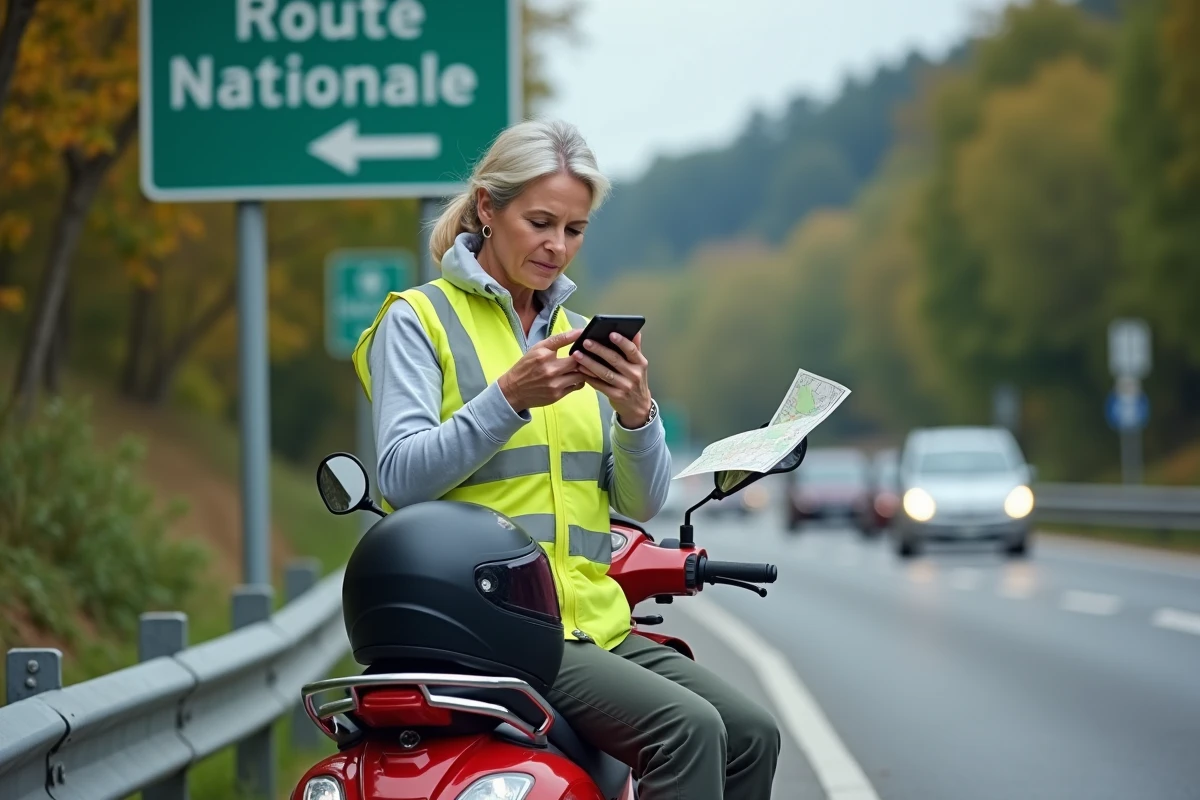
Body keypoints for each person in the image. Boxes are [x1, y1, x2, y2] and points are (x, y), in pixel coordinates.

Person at [351, 119, 779, 800]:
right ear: (488, 208)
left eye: (574, 230)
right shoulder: (417, 319)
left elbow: (637, 504)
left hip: (591, 620)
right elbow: (401, 478)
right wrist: (508, 399)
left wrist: (638, 415)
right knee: (688, 729)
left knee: (753, 731)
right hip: (495, 625)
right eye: (540, 222)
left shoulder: (576, 339)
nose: (557, 247)